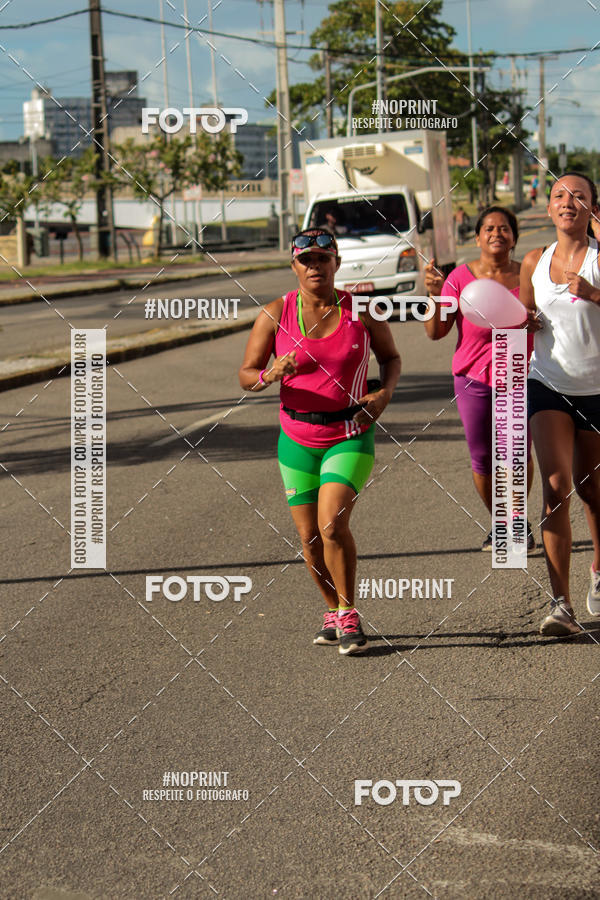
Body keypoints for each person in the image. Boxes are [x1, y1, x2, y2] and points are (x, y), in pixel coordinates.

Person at [238, 227, 401, 654]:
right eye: (306, 260)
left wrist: (383, 394)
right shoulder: (275, 314)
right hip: (296, 438)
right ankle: (332, 610)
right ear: (293, 266)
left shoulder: (361, 309)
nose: (315, 266)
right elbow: (246, 374)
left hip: (349, 432)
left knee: (332, 524)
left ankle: (348, 615)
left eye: (322, 259)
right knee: (309, 539)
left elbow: (392, 357)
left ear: (337, 263)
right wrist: (269, 375)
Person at [424, 206, 537, 551]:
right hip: (472, 377)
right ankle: (499, 522)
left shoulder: (529, 275)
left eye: (504, 228)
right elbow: (436, 332)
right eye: (489, 228)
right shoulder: (458, 278)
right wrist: (432, 294)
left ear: (514, 238)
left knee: (515, 453)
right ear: (477, 237)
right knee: (483, 457)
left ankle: (517, 521)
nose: (496, 234)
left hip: (519, 372)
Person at [520, 172, 600, 636]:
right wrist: (525, 320)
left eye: (579, 196)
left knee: (593, 492)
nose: (568, 202)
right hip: (548, 384)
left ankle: (598, 571)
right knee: (555, 490)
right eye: (559, 196)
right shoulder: (535, 260)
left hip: (597, 391)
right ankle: (561, 606)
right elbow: (520, 317)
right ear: (547, 208)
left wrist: (592, 294)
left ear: (592, 208)